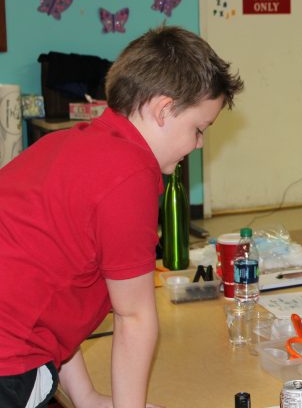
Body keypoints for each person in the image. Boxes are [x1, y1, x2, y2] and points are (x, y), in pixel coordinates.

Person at [0, 26, 244, 408]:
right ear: (164, 109)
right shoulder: (130, 173)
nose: (198, 145)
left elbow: (57, 297)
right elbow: (134, 318)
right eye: (198, 129)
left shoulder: (66, 143)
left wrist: (87, 398)